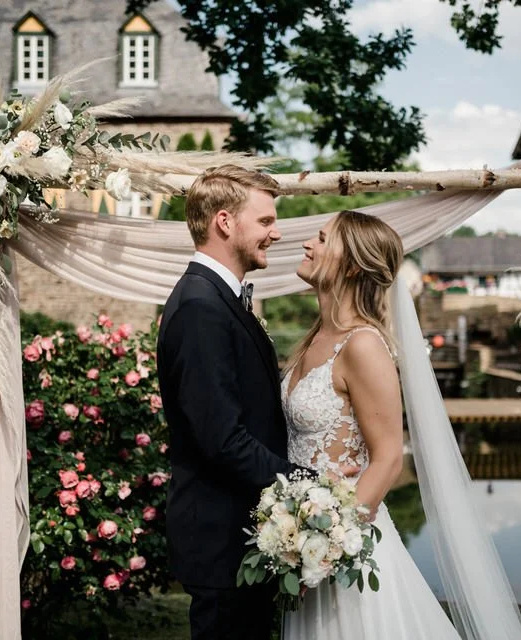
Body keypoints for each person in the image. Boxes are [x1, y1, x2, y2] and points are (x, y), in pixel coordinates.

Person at [282, 210, 521, 640]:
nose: (307, 244)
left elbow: (389, 459)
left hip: (344, 546)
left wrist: (327, 551)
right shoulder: (314, 336)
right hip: (304, 533)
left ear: (352, 264)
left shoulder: (362, 345)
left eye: (322, 239)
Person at [157, 165, 299, 640]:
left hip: (239, 536)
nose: (275, 233)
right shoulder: (201, 306)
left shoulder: (219, 298)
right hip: (222, 543)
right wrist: (304, 485)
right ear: (224, 221)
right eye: (265, 221)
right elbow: (222, 439)